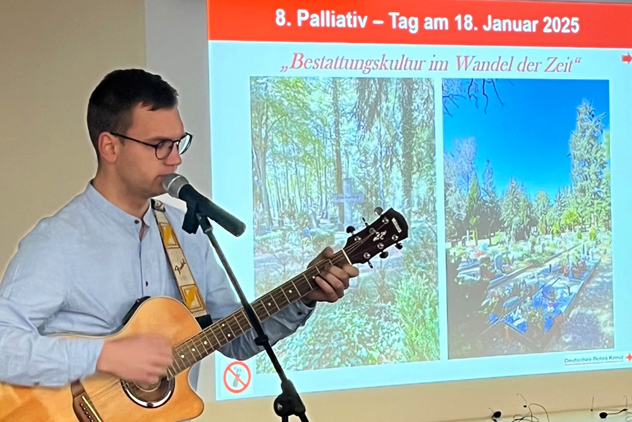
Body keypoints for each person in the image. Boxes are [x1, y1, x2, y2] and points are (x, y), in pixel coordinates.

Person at [0, 69, 359, 389]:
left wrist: (304, 294)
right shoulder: (59, 241)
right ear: (110, 146)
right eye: (159, 145)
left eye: (178, 143)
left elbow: (235, 337)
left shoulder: (185, 232)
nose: (175, 159)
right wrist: (103, 356)